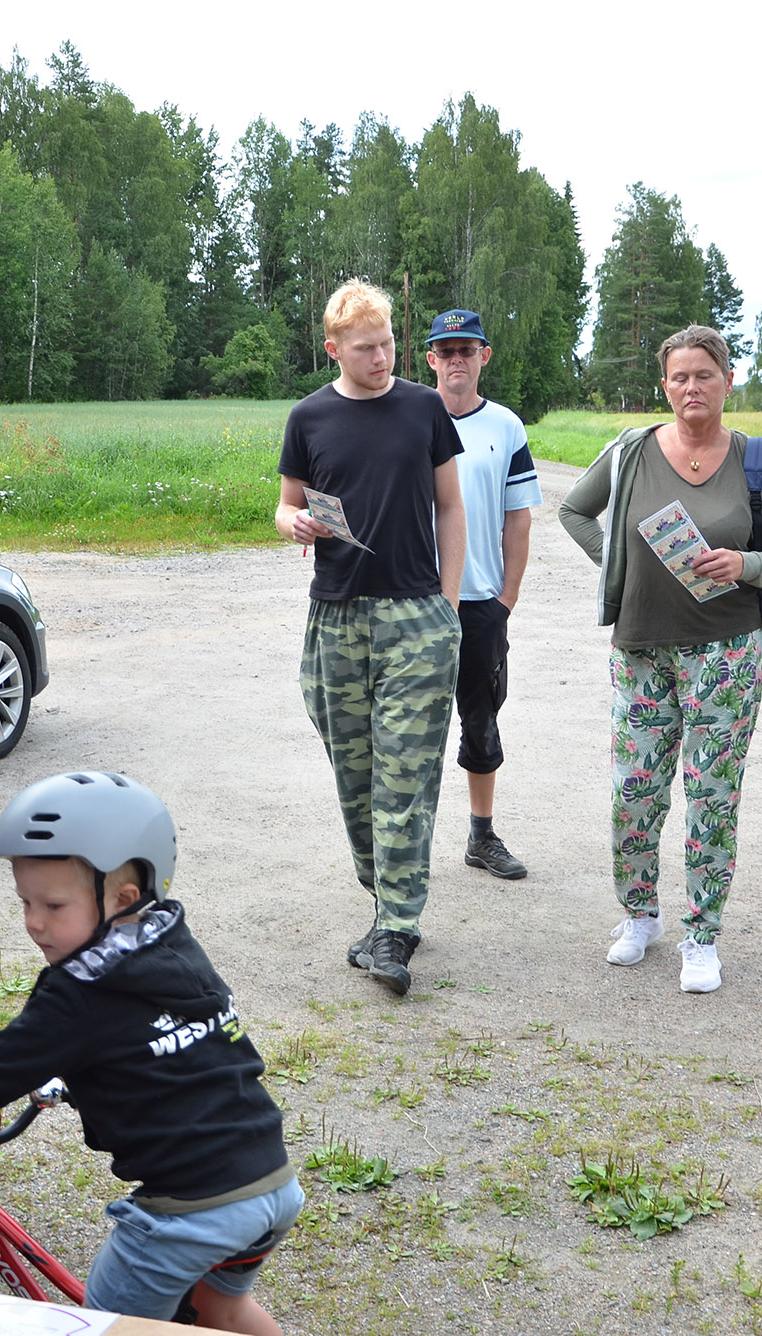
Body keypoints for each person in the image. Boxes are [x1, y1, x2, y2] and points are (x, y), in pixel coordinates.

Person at [0, 773, 301, 1334]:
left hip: (193, 1210)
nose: (34, 922)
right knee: (221, 1310)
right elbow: (162, 1046)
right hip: (271, 1181)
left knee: (104, 1326)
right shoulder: (170, 945)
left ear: (123, 899)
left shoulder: (80, 992)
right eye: (25, 902)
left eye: (54, 904)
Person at [557, 325, 762, 994]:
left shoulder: (761, 462)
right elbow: (574, 512)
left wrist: (743, 563)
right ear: (663, 385)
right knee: (634, 792)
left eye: (704, 375)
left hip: (727, 653)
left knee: (711, 797)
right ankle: (640, 916)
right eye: (679, 377)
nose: (691, 387)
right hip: (640, 649)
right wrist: (618, 565)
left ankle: (703, 936)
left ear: (728, 381)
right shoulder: (630, 452)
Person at [275, 280, 466, 997]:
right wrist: (290, 522)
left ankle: (397, 926)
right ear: (334, 349)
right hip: (336, 618)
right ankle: (385, 894)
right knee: (356, 779)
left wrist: (446, 608)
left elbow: (451, 508)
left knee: (405, 777)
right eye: (366, 349)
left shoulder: (423, 408)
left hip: (416, 618)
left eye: (388, 343)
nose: (382, 357)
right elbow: (287, 504)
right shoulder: (309, 417)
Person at [426, 309, 542, 881]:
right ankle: (406, 840)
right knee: (409, 724)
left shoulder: (506, 428)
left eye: (466, 349)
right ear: (430, 359)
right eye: (445, 351)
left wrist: (505, 601)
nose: (455, 360)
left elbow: (518, 521)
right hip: (417, 601)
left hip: (479, 602)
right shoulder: (410, 417)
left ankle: (481, 834)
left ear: (483, 357)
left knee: (481, 720)